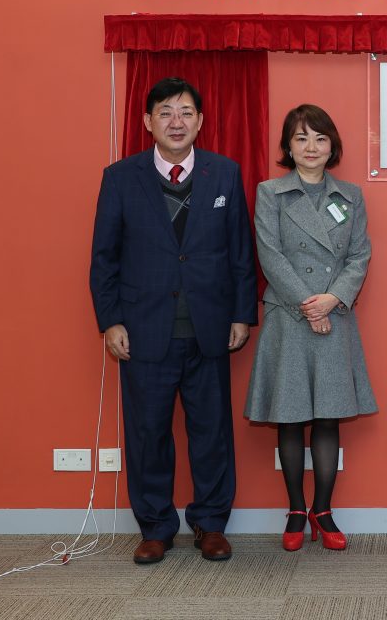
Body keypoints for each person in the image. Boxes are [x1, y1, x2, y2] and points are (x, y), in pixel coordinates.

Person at [90, 77, 256, 564]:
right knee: (147, 434)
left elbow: (240, 253)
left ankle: (210, 524)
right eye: (165, 112)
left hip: (208, 329)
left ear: (201, 122)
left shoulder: (224, 174)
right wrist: (110, 321)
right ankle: (156, 527)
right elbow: (104, 259)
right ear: (148, 122)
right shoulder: (121, 177)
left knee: (212, 433)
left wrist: (243, 314)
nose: (176, 121)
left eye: (186, 112)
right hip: (143, 332)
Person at [245, 104, 376, 552]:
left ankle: (324, 509)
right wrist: (309, 306)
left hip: (334, 314)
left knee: (326, 417)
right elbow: (270, 255)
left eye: (319, 138)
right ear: (288, 146)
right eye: (301, 138)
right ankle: (296, 509)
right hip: (290, 316)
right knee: (290, 417)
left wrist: (332, 300)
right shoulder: (270, 193)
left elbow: (359, 256)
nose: (311, 147)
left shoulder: (351, 196)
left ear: (332, 145)